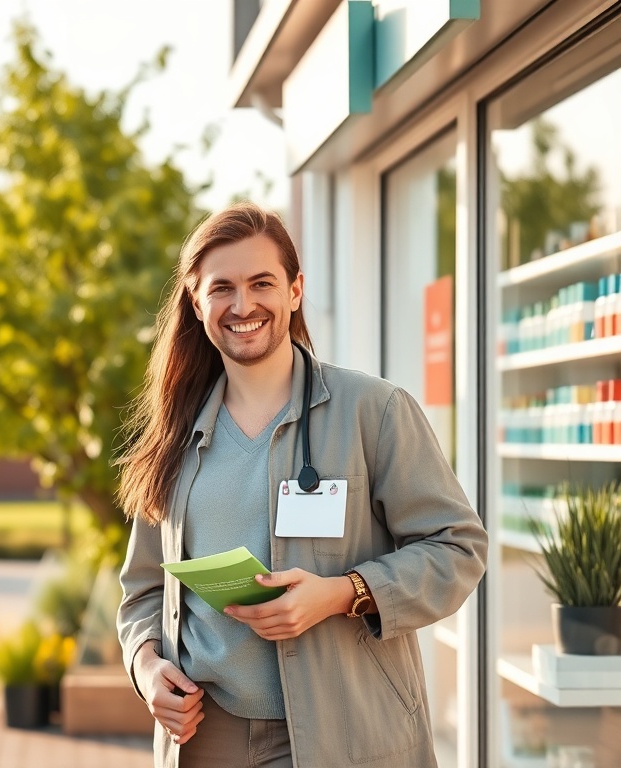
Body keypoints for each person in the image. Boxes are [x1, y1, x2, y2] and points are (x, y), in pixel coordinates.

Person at [115, 201, 487, 768]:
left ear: (295, 289)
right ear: (196, 302)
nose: (243, 306)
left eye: (262, 282)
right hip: (208, 737)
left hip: (345, 732)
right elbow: (143, 589)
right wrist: (147, 669)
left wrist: (342, 594)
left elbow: (458, 549)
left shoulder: (374, 412)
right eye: (222, 288)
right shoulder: (174, 435)